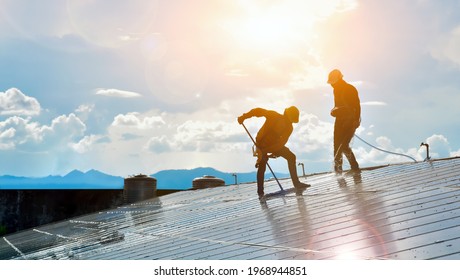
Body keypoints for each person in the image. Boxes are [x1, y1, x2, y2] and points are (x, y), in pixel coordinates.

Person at [238, 106, 310, 197]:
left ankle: (296, 183)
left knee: (291, 157)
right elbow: (257, 111)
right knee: (262, 163)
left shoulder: (289, 128)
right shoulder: (273, 115)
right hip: (261, 143)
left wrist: (269, 152)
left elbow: (280, 144)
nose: (291, 122)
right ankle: (260, 192)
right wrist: (244, 117)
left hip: (274, 145)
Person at [327, 69, 361, 175]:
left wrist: (356, 120)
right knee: (336, 146)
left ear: (339, 79)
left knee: (344, 145)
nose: (332, 85)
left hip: (350, 121)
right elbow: (337, 105)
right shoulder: (335, 90)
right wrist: (334, 111)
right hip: (340, 120)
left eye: (333, 83)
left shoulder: (350, 89)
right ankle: (338, 171)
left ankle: (354, 167)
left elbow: (357, 105)